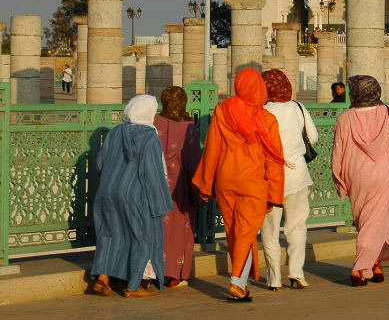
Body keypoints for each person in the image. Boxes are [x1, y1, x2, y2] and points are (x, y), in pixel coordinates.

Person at [192, 68, 290, 301]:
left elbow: (212, 149)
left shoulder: (222, 112)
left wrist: (206, 184)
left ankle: (241, 284)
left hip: (226, 181)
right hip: (253, 183)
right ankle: (236, 282)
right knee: (245, 232)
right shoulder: (266, 119)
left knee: (234, 232)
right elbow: (274, 160)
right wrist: (274, 196)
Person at [91, 94, 173, 298]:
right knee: (143, 237)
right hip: (135, 195)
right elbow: (152, 172)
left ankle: (103, 278)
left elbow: (100, 163)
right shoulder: (149, 136)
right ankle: (134, 286)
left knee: (109, 234)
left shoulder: (115, 131)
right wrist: (161, 202)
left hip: (107, 192)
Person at [332, 75, 389, 286]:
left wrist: (339, 180)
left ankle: (373, 264)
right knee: (375, 218)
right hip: (383, 171)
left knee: (364, 219)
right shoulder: (388, 112)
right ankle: (361, 267)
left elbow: (338, 152)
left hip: (355, 173)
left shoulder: (345, 118)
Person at [260, 69, 319, 290]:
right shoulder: (298, 107)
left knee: (270, 228)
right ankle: (296, 274)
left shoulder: (260, 110)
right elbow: (312, 137)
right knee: (296, 226)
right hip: (297, 174)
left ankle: (274, 278)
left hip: (268, 176)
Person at [154, 86, 202, 288]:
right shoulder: (189, 127)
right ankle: (176, 274)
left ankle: (155, 269)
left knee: (158, 226)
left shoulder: (154, 122)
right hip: (179, 185)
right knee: (181, 228)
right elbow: (192, 160)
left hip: (156, 181)